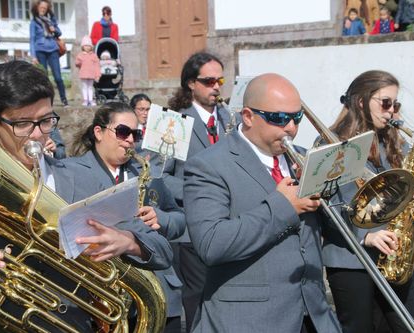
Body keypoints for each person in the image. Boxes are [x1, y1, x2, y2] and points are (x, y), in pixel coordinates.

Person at [0, 60, 172, 332]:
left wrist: (128, 241)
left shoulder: (85, 178)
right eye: (23, 124)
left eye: (46, 121)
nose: (37, 135)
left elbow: (162, 251)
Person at [183, 73, 341, 332]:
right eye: (279, 118)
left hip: (313, 315)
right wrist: (283, 206)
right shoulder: (208, 165)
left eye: (296, 117)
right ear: (248, 116)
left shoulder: (303, 158)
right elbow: (211, 244)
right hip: (248, 320)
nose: (290, 127)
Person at [322, 70, 414, 332]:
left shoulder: (392, 140)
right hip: (351, 260)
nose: (391, 111)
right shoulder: (330, 141)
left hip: (392, 254)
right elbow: (326, 205)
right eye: (385, 103)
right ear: (361, 101)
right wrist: (365, 236)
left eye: (395, 104)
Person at [67, 102, 185, 332]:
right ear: (98, 132)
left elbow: (179, 219)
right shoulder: (71, 171)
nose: (130, 140)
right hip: (105, 297)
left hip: (159, 293)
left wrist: (161, 218)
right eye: (123, 132)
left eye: (136, 133)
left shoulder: (146, 171)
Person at [164, 51, 232, 330]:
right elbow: (158, 177)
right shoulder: (173, 122)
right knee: (197, 302)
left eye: (220, 80)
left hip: (231, 225)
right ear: (191, 83)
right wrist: (200, 190)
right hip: (192, 229)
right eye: (209, 80)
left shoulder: (231, 118)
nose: (216, 86)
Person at [29, 0, 68, 106]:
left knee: (58, 77)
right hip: (40, 50)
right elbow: (32, 39)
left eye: (45, 8)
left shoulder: (51, 20)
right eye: (41, 8)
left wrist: (54, 29)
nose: (43, 10)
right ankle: (46, 102)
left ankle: (64, 99)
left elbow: (59, 32)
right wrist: (33, 56)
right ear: (37, 8)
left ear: (47, 9)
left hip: (53, 50)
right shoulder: (34, 22)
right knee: (43, 77)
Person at [75, 35, 101, 107]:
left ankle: (91, 100)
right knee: (84, 87)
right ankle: (85, 100)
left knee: (90, 87)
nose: (87, 47)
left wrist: (97, 75)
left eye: (88, 45)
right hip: (83, 74)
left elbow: (97, 66)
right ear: (82, 47)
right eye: (85, 45)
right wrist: (79, 61)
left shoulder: (94, 55)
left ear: (91, 47)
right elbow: (77, 64)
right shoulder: (80, 55)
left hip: (91, 74)